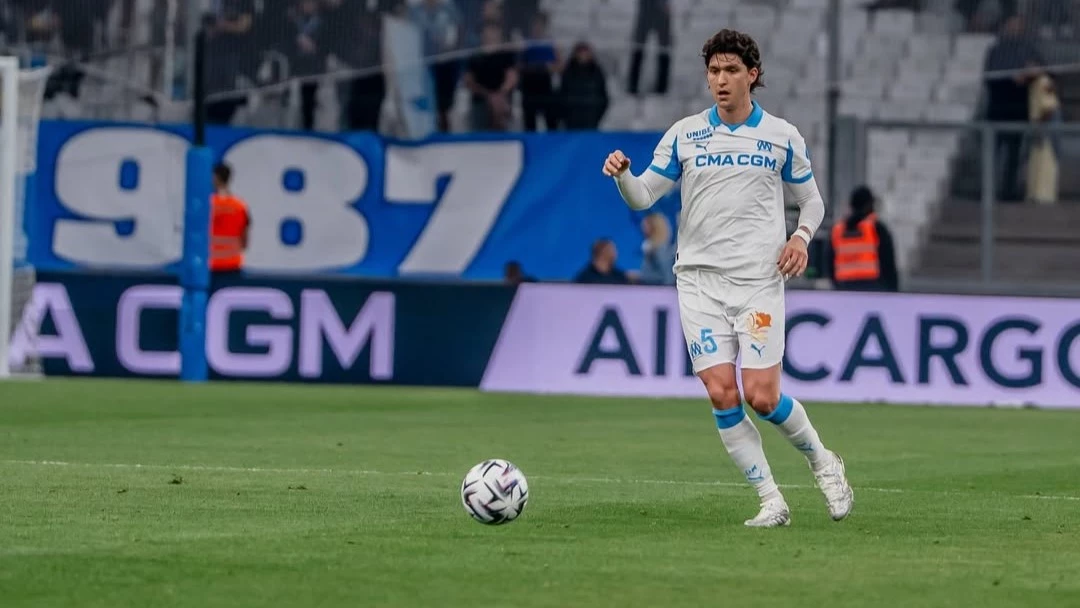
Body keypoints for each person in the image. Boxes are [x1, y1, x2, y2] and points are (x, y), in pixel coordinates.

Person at [601, 29, 852, 528]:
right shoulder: (685, 133)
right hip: (697, 282)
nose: (720, 79)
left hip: (758, 280)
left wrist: (800, 237)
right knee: (721, 392)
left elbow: (813, 201)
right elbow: (644, 197)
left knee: (762, 396)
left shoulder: (781, 135)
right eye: (714, 71)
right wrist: (623, 176)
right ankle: (771, 500)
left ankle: (823, 462)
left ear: (752, 75)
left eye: (731, 70)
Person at [829, 186, 899, 292]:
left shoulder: (837, 230)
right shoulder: (877, 228)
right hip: (872, 289)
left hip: (844, 289)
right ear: (868, 205)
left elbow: (829, 263)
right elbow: (888, 263)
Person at [210, 163, 251, 275]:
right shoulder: (240, 206)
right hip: (233, 264)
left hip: (211, 264)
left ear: (216, 178)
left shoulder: (209, 205)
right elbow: (245, 240)